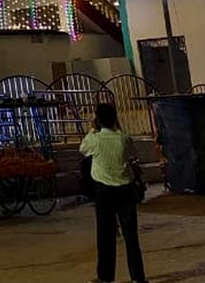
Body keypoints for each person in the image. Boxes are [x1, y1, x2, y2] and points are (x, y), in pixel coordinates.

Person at [80, 102, 147, 283]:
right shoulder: (123, 139)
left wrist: (93, 130)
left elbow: (83, 149)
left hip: (104, 190)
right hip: (125, 189)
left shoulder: (96, 139)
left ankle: (105, 276)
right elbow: (133, 154)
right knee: (131, 235)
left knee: (105, 235)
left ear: (98, 120)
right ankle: (138, 276)